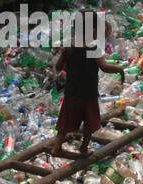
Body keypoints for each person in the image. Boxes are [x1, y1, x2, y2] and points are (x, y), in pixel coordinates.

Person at [52, 12, 125, 159]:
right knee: (89, 122)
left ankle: (57, 147)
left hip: (72, 91)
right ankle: (83, 148)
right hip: (88, 92)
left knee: (65, 121)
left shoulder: (69, 47)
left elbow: (58, 66)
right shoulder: (93, 49)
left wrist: (70, 65)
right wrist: (120, 69)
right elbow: (104, 67)